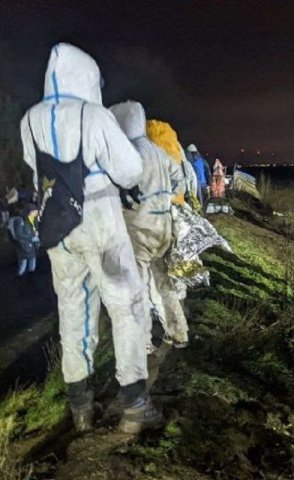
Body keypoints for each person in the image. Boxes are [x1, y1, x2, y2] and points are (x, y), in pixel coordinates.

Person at [20, 43, 162, 434]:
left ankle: (80, 407)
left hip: (56, 227)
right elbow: (130, 171)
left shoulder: (28, 119)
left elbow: (36, 169)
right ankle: (135, 404)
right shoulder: (93, 114)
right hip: (99, 221)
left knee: (72, 311)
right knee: (126, 304)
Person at [110, 101, 189, 351]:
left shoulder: (127, 154)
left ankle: (142, 342)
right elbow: (180, 182)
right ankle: (179, 332)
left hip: (139, 231)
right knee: (164, 282)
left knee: (138, 288)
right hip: (163, 228)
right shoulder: (158, 151)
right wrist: (163, 199)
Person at [7, 203, 40, 284]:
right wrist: (32, 237)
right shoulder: (20, 221)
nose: (36, 213)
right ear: (29, 211)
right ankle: (19, 281)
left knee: (32, 264)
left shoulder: (33, 220)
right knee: (23, 265)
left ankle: (30, 281)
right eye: (34, 211)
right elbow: (19, 235)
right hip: (23, 246)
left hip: (32, 246)